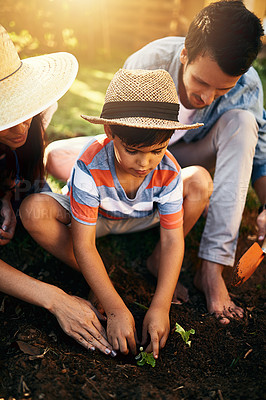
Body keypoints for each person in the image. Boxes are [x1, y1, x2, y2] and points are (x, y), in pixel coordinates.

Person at [45, 0, 266, 324]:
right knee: (56, 155)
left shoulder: (248, 89)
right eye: (202, 82)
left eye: (222, 89)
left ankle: (211, 267)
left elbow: (259, 159)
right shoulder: (149, 61)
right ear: (185, 55)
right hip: (129, 152)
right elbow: (116, 130)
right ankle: (128, 205)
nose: (207, 97)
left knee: (245, 124)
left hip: (185, 156)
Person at [20, 68, 212, 358]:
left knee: (199, 179)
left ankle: (153, 263)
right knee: (33, 211)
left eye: (157, 150)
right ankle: (99, 274)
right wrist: (115, 307)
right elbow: (83, 243)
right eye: (133, 150)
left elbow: (173, 240)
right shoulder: (90, 164)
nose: (145, 163)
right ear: (110, 132)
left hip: (142, 217)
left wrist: (160, 306)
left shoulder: (168, 170)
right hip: (93, 221)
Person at [0, 24, 113, 356]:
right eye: (7, 116)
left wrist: (6, 196)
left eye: (24, 110)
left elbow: (25, 167)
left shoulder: (36, 116)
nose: (22, 126)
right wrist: (57, 299)